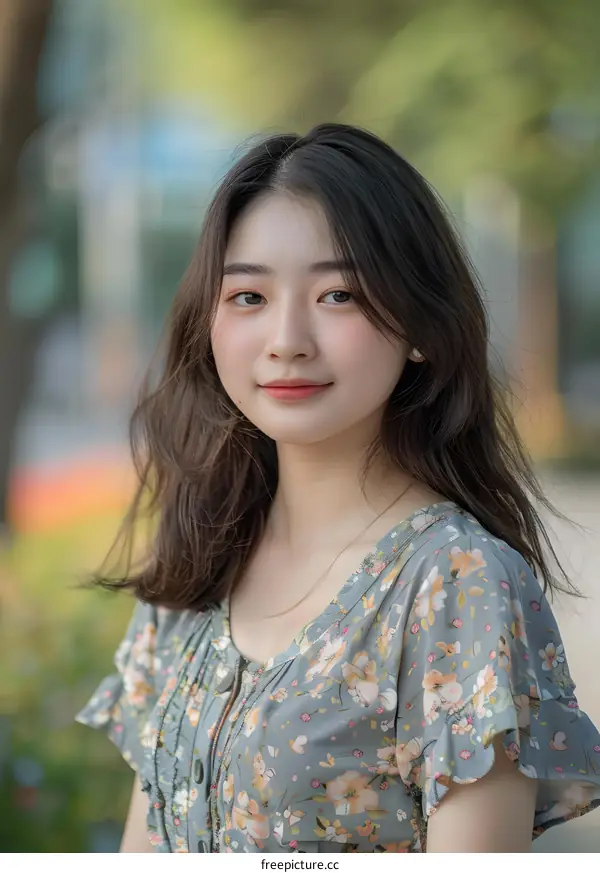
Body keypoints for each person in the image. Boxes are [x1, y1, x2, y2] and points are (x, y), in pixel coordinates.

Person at [76, 123, 600, 853]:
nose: (287, 337)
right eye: (250, 295)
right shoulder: (200, 553)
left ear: (419, 325)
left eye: (339, 294)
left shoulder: (458, 585)